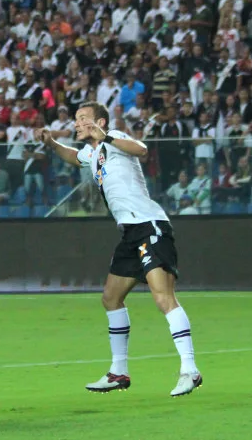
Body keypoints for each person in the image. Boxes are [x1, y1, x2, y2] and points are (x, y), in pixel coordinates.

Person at [36, 101, 202, 397]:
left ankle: (189, 370)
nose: (77, 124)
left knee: (163, 298)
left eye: (82, 119)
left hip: (149, 226)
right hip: (129, 233)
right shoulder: (94, 152)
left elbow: (141, 150)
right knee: (111, 299)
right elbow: (75, 157)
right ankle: (118, 372)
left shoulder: (115, 140)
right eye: (76, 119)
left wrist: (106, 134)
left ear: (99, 121)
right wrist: (51, 143)